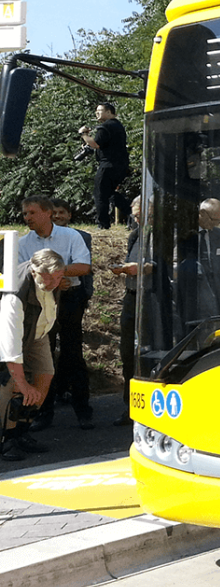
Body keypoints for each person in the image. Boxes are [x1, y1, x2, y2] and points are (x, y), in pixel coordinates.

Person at [33, 198, 95, 431]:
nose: (27, 218)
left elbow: (84, 266)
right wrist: (56, 278)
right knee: (42, 357)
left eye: (32, 213)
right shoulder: (27, 241)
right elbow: (24, 271)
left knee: (73, 354)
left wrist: (54, 276)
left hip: (70, 300)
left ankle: (83, 411)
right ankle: (42, 412)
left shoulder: (73, 237)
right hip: (40, 301)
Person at [1, 250, 67, 461]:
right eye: (49, 278)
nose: (55, 283)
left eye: (58, 277)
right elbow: (11, 348)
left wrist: (30, 387)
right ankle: (6, 440)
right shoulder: (15, 296)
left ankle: (22, 432)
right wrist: (22, 383)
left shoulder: (52, 279)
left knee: (45, 375)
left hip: (37, 332)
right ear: (34, 270)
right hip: (9, 338)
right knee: (9, 387)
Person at [112, 196, 152, 426]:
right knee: (127, 351)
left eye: (142, 216)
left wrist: (142, 269)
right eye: (135, 216)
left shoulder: (165, 236)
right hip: (132, 297)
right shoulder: (134, 235)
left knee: (148, 351)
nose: (137, 220)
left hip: (153, 298)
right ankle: (130, 405)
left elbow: (165, 267)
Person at [77, 102, 131, 229]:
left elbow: (95, 144)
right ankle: (132, 212)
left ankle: (103, 224)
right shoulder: (117, 125)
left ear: (109, 112)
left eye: (100, 110)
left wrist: (83, 134)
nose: (97, 113)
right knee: (110, 193)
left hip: (108, 165)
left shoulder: (106, 126)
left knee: (100, 194)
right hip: (120, 165)